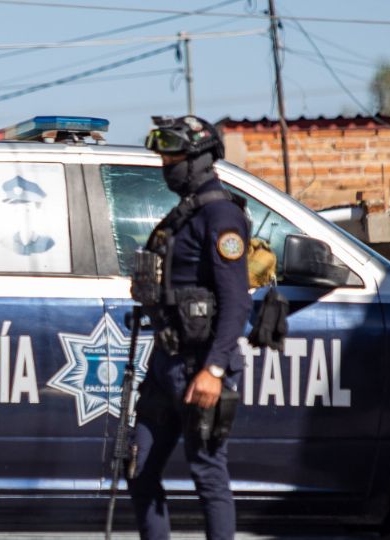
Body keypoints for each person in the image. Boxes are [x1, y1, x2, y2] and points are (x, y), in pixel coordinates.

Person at [127, 115, 252, 540]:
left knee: (208, 475)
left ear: (199, 157)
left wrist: (214, 370)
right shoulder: (182, 216)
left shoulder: (220, 217)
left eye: (173, 154)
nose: (165, 163)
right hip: (167, 363)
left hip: (202, 367)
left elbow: (237, 301)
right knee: (138, 468)